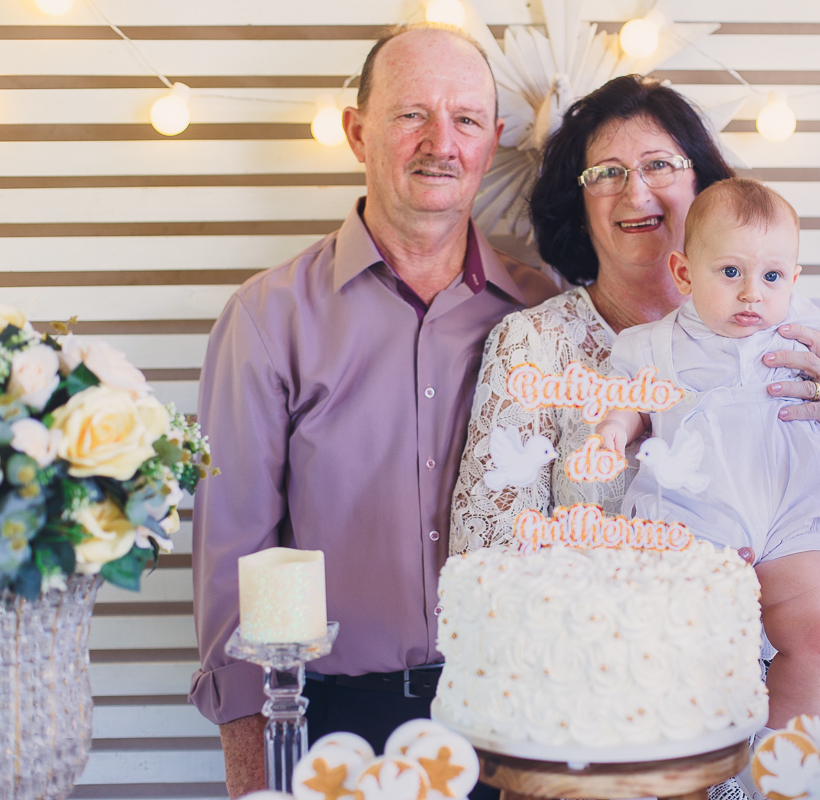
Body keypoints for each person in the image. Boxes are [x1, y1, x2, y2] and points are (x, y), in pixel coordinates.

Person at [190, 24, 558, 797]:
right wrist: (254, 772)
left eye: (464, 119)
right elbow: (233, 557)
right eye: (410, 114)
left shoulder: (543, 313)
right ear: (358, 131)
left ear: (492, 142)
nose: (440, 142)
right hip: (330, 722)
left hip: (516, 715)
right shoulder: (269, 316)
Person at [449, 76, 820, 734]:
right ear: (578, 201)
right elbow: (490, 560)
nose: (636, 190)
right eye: (606, 172)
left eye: (659, 165)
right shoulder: (534, 345)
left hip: (803, 705)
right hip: (617, 710)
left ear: (702, 186)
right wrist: (658, 588)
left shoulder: (796, 330)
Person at [595, 177, 820, 725]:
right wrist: (614, 432)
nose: (751, 294)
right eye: (731, 272)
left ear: (794, 279)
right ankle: (705, 754)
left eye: (771, 277)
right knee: (688, 641)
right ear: (684, 273)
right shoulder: (650, 346)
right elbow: (630, 403)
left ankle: (780, 754)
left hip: (797, 514)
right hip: (696, 520)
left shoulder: (810, 326)